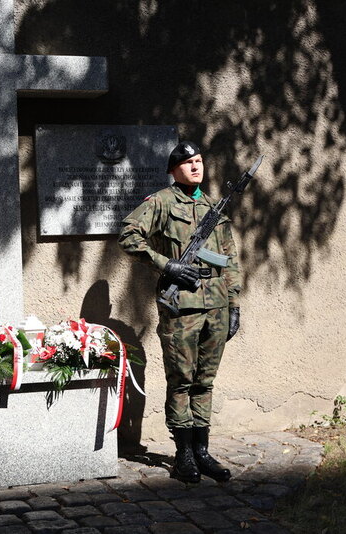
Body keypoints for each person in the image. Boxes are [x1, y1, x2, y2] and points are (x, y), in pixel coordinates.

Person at [118, 141, 241, 483]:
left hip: (216, 303)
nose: (195, 166)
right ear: (173, 170)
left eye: (199, 160)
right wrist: (166, 266)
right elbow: (128, 236)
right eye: (187, 162)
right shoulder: (160, 202)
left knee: (205, 380)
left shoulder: (214, 206)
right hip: (181, 304)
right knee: (182, 380)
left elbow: (229, 259)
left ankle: (202, 450)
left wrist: (234, 304)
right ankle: (183, 453)